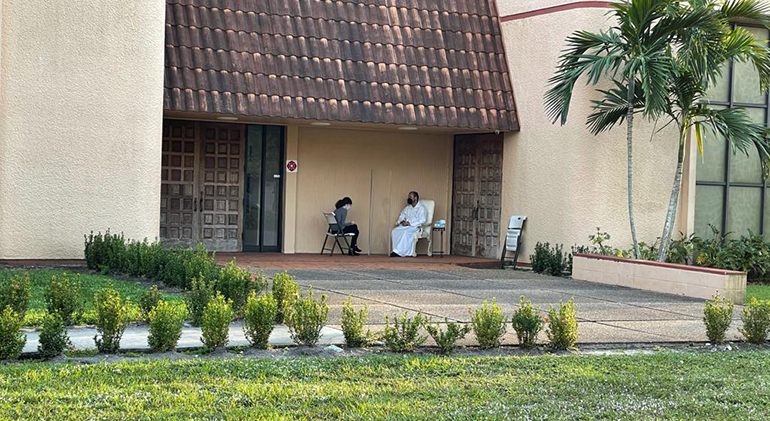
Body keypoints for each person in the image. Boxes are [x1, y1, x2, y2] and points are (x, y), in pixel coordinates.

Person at [390, 191, 427, 257]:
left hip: (415, 227)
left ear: (415, 198)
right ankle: (396, 250)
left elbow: (422, 220)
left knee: (405, 232)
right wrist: (402, 221)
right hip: (405, 225)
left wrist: (410, 223)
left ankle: (400, 252)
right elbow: (402, 215)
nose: (408, 198)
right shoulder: (408, 208)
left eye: (410, 197)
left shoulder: (421, 208)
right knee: (394, 231)